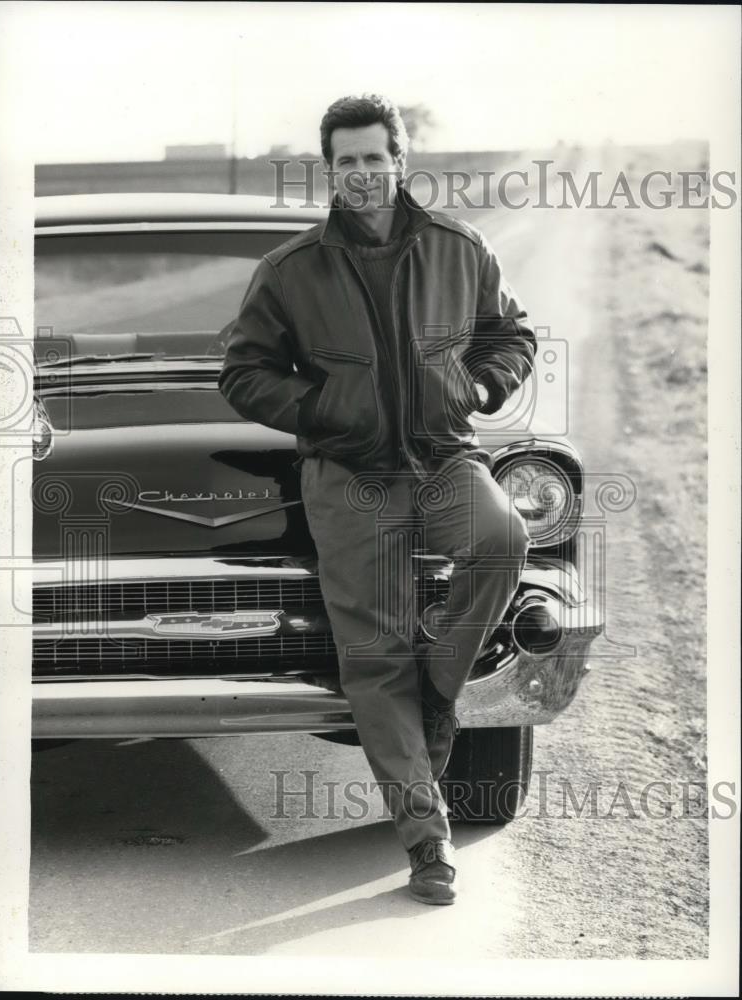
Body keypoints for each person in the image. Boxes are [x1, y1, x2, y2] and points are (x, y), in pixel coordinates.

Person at [219, 94, 536, 905]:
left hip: (441, 457)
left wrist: (482, 380)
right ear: (330, 170)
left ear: (401, 159)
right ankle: (427, 842)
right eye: (346, 161)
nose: (361, 173)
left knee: (502, 542)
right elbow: (243, 374)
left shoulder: (458, 248)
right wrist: (322, 411)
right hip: (349, 476)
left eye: (373, 157)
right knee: (374, 654)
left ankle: (438, 688)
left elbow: (510, 334)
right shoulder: (291, 270)